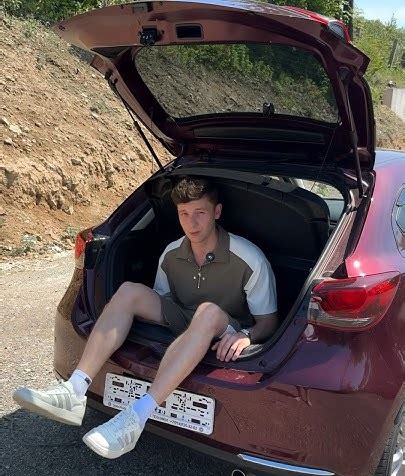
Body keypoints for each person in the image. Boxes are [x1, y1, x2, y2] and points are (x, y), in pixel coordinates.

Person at [13, 176, 278, 459]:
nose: (192, 223)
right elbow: (162, 299)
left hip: (224, 327)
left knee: (207, 311)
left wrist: (246, 336)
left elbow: (269, 322)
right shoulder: (171, 253)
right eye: (184, 214)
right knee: (129, 291)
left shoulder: (249, 258)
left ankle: (136, 417)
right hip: (185, 319)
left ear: (217, 211)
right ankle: (74, 390)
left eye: (200, 212)